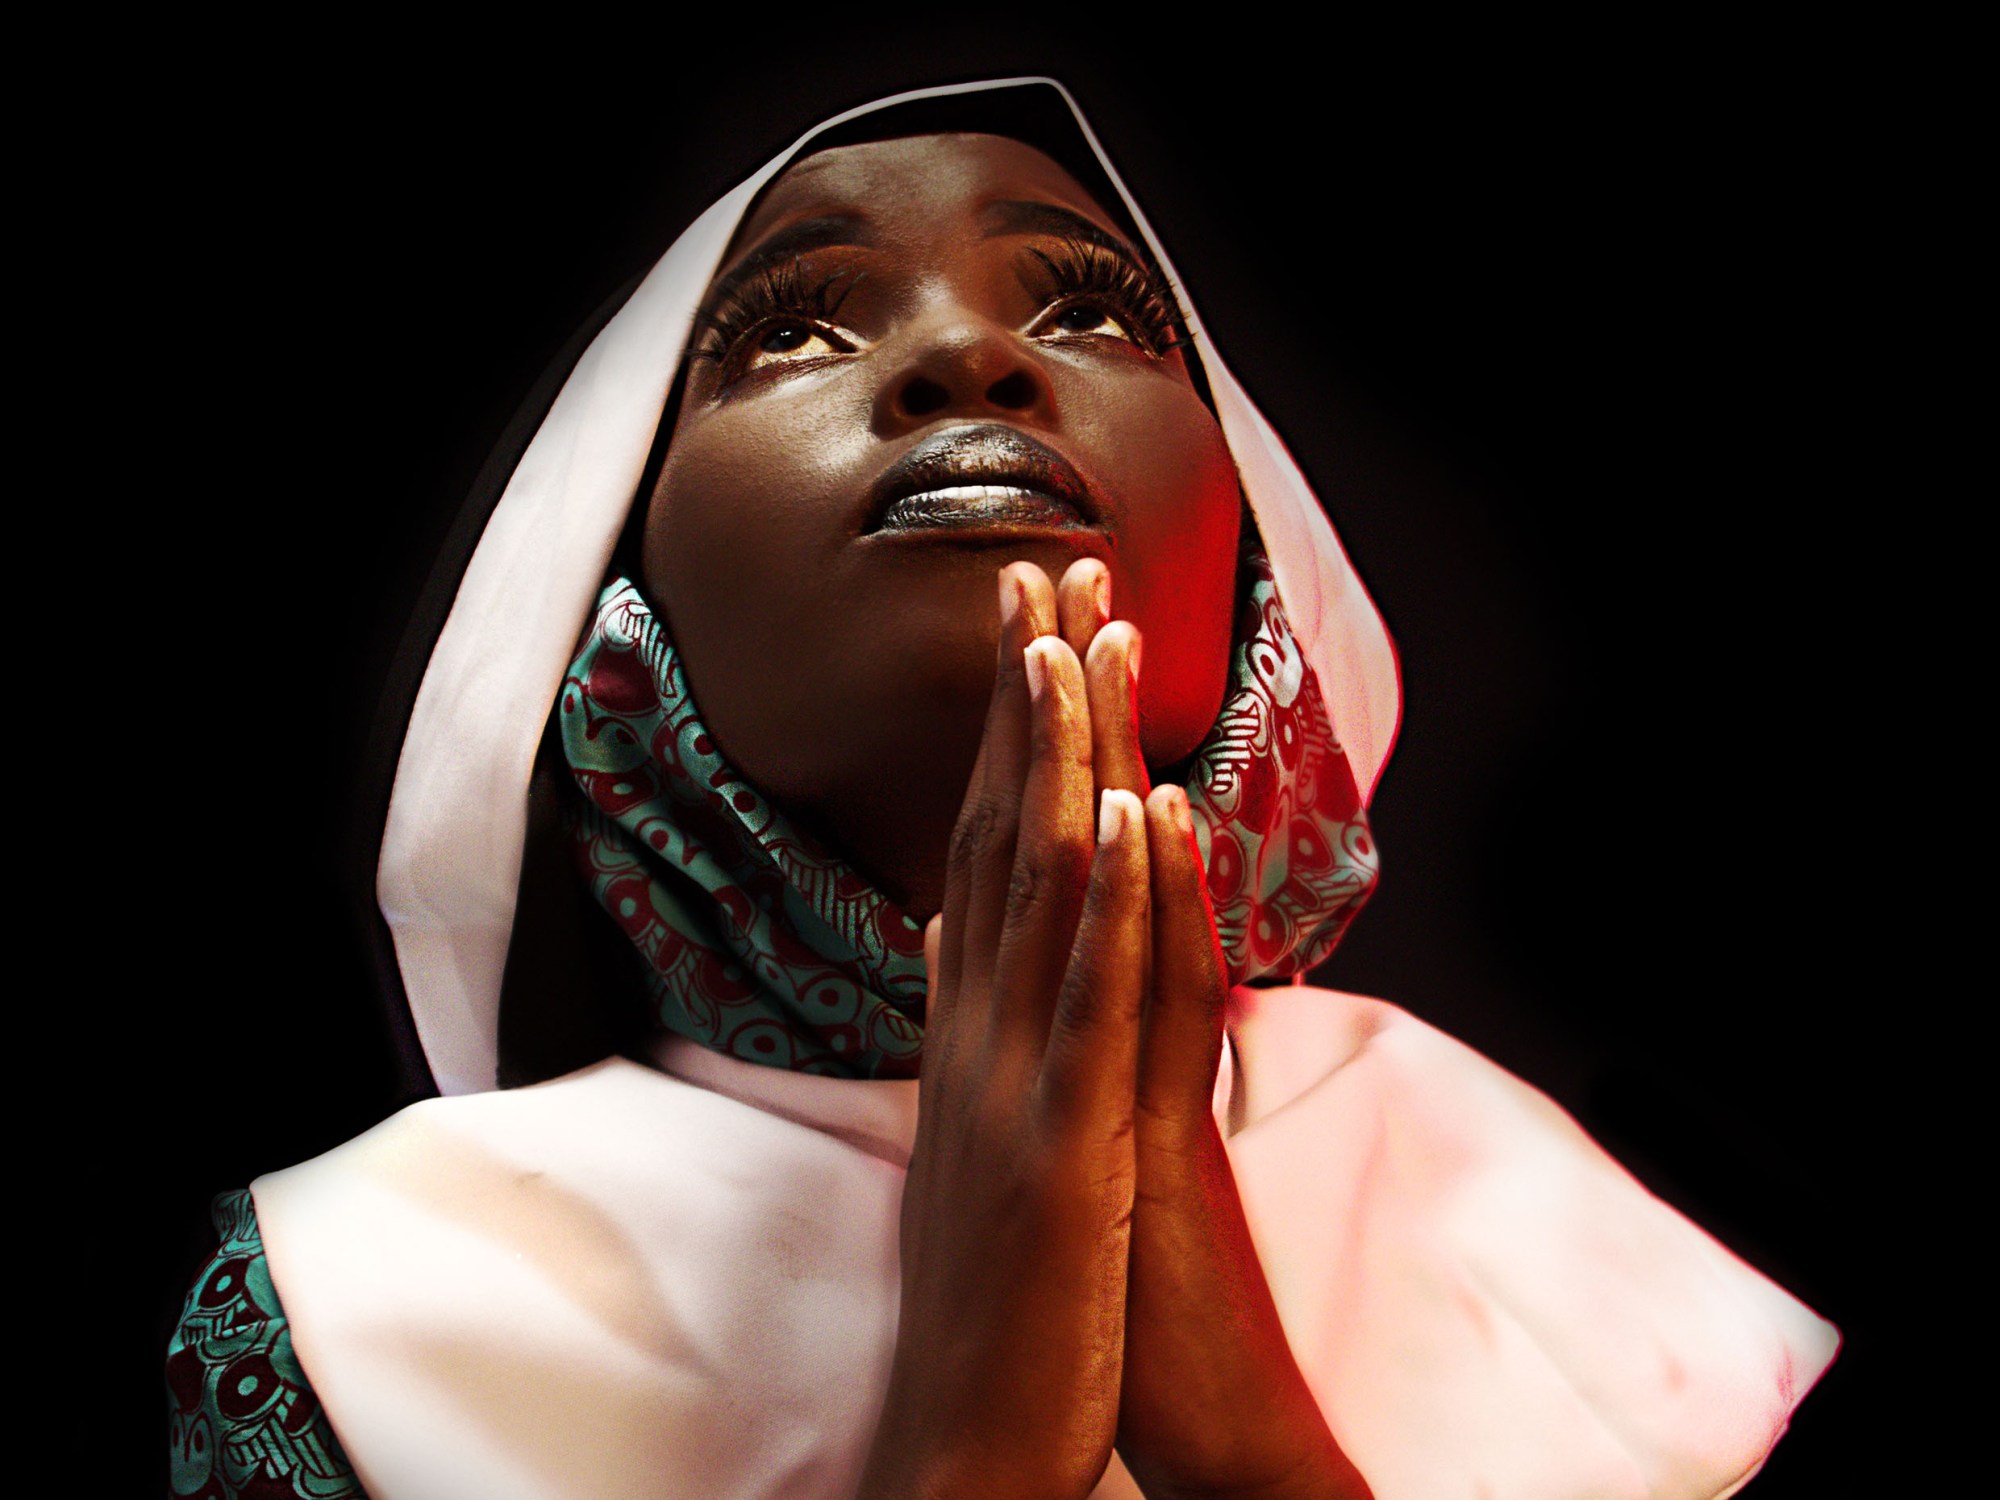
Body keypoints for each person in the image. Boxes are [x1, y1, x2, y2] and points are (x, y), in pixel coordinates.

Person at [165, 79, 1838, 1500]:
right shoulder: (355, 1309)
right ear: (614, 630)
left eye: (1090, 314)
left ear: (1258, 587)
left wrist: (1253, 1457)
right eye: (788, 330)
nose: (968, 355)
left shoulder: (1558, 1230)